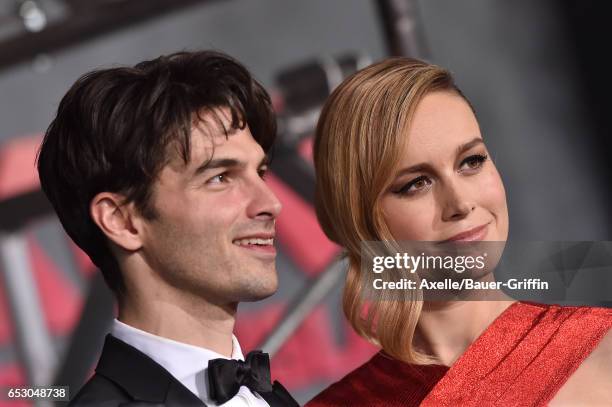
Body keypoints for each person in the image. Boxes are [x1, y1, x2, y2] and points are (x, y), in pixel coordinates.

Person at [306, 57, 612, 406]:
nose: (461, 202)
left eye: (472, 161)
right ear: (357, 217)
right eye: (416, 183)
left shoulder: (603, 348)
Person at [37, 50, 299, 407]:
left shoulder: (269, 396)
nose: (270, 203)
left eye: (260, 173)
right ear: (122, 220)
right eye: (220, 177)